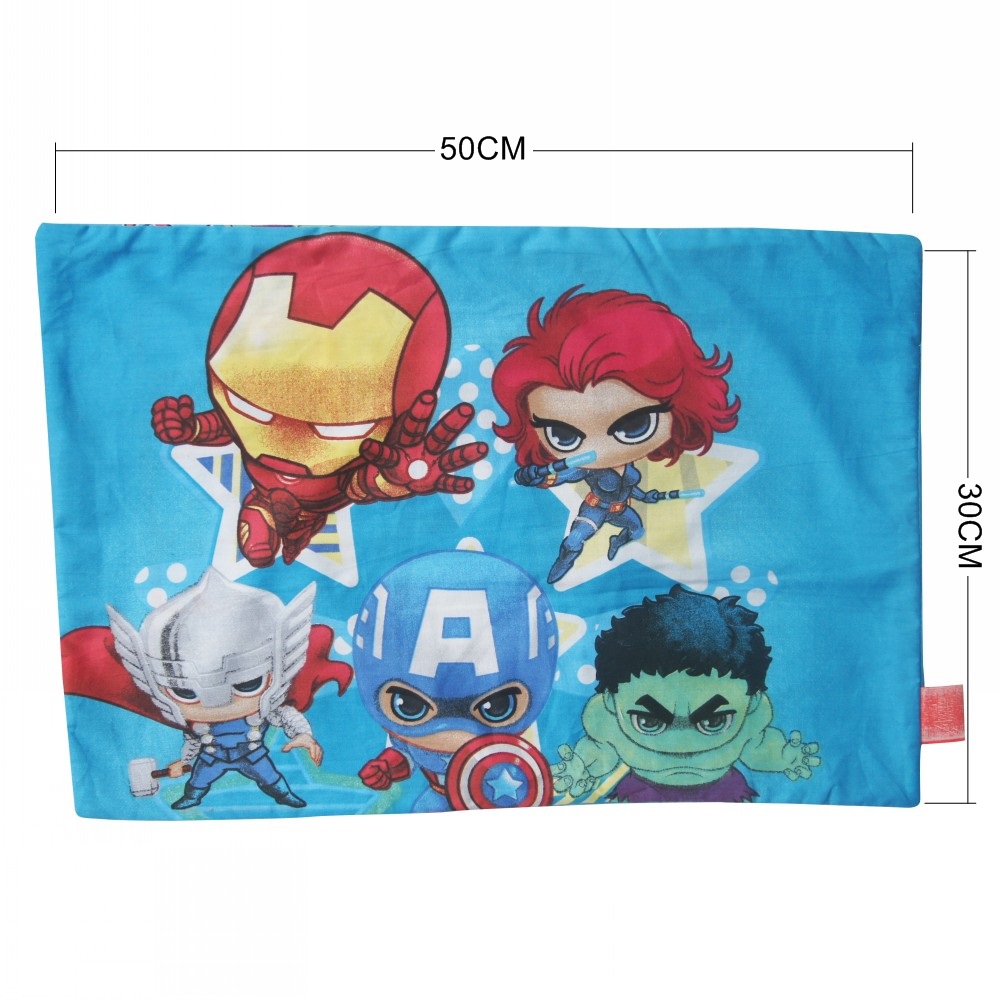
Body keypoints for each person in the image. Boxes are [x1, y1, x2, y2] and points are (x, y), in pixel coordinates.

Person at [492, 287, 739, 583]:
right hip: (594, 510)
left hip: (622, 510)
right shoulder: (585, 468)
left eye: (634, 425)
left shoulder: (632, 472)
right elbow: (558, 477)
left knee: (637, 530)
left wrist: (654, 496)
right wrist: (537, 477)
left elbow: (638, 493)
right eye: (563, 435)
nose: (601, 449)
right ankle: (565, 559)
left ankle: (616, 542)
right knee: (575, 540)